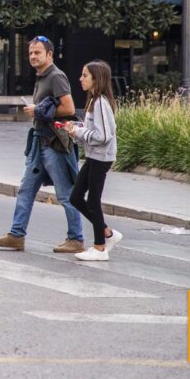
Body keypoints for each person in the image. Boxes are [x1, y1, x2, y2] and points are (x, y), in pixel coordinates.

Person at [0, 36, 85, 253]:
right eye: (31, 53)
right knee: (26, 190)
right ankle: (16, 235)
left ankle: (76, 239)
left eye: (38, 52)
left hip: (54, 144)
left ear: (49, 54)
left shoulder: (56, 76)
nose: (33, 56)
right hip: (39, 143)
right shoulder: (42, 76)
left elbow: (69, 108)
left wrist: (38, 110)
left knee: (65, 193)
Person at [66, 61, 122, 261]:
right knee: (75, 197)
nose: (80, 79)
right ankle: (107, 233)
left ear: (96, 79)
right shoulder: (93, 101)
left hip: (101, 158)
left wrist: (80, 131)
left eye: (85, 75)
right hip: (93, 157)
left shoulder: (100, 103)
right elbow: (93, 131)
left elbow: (104, 135)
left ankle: (99, 248)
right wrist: (75, 129)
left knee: (93, 200)